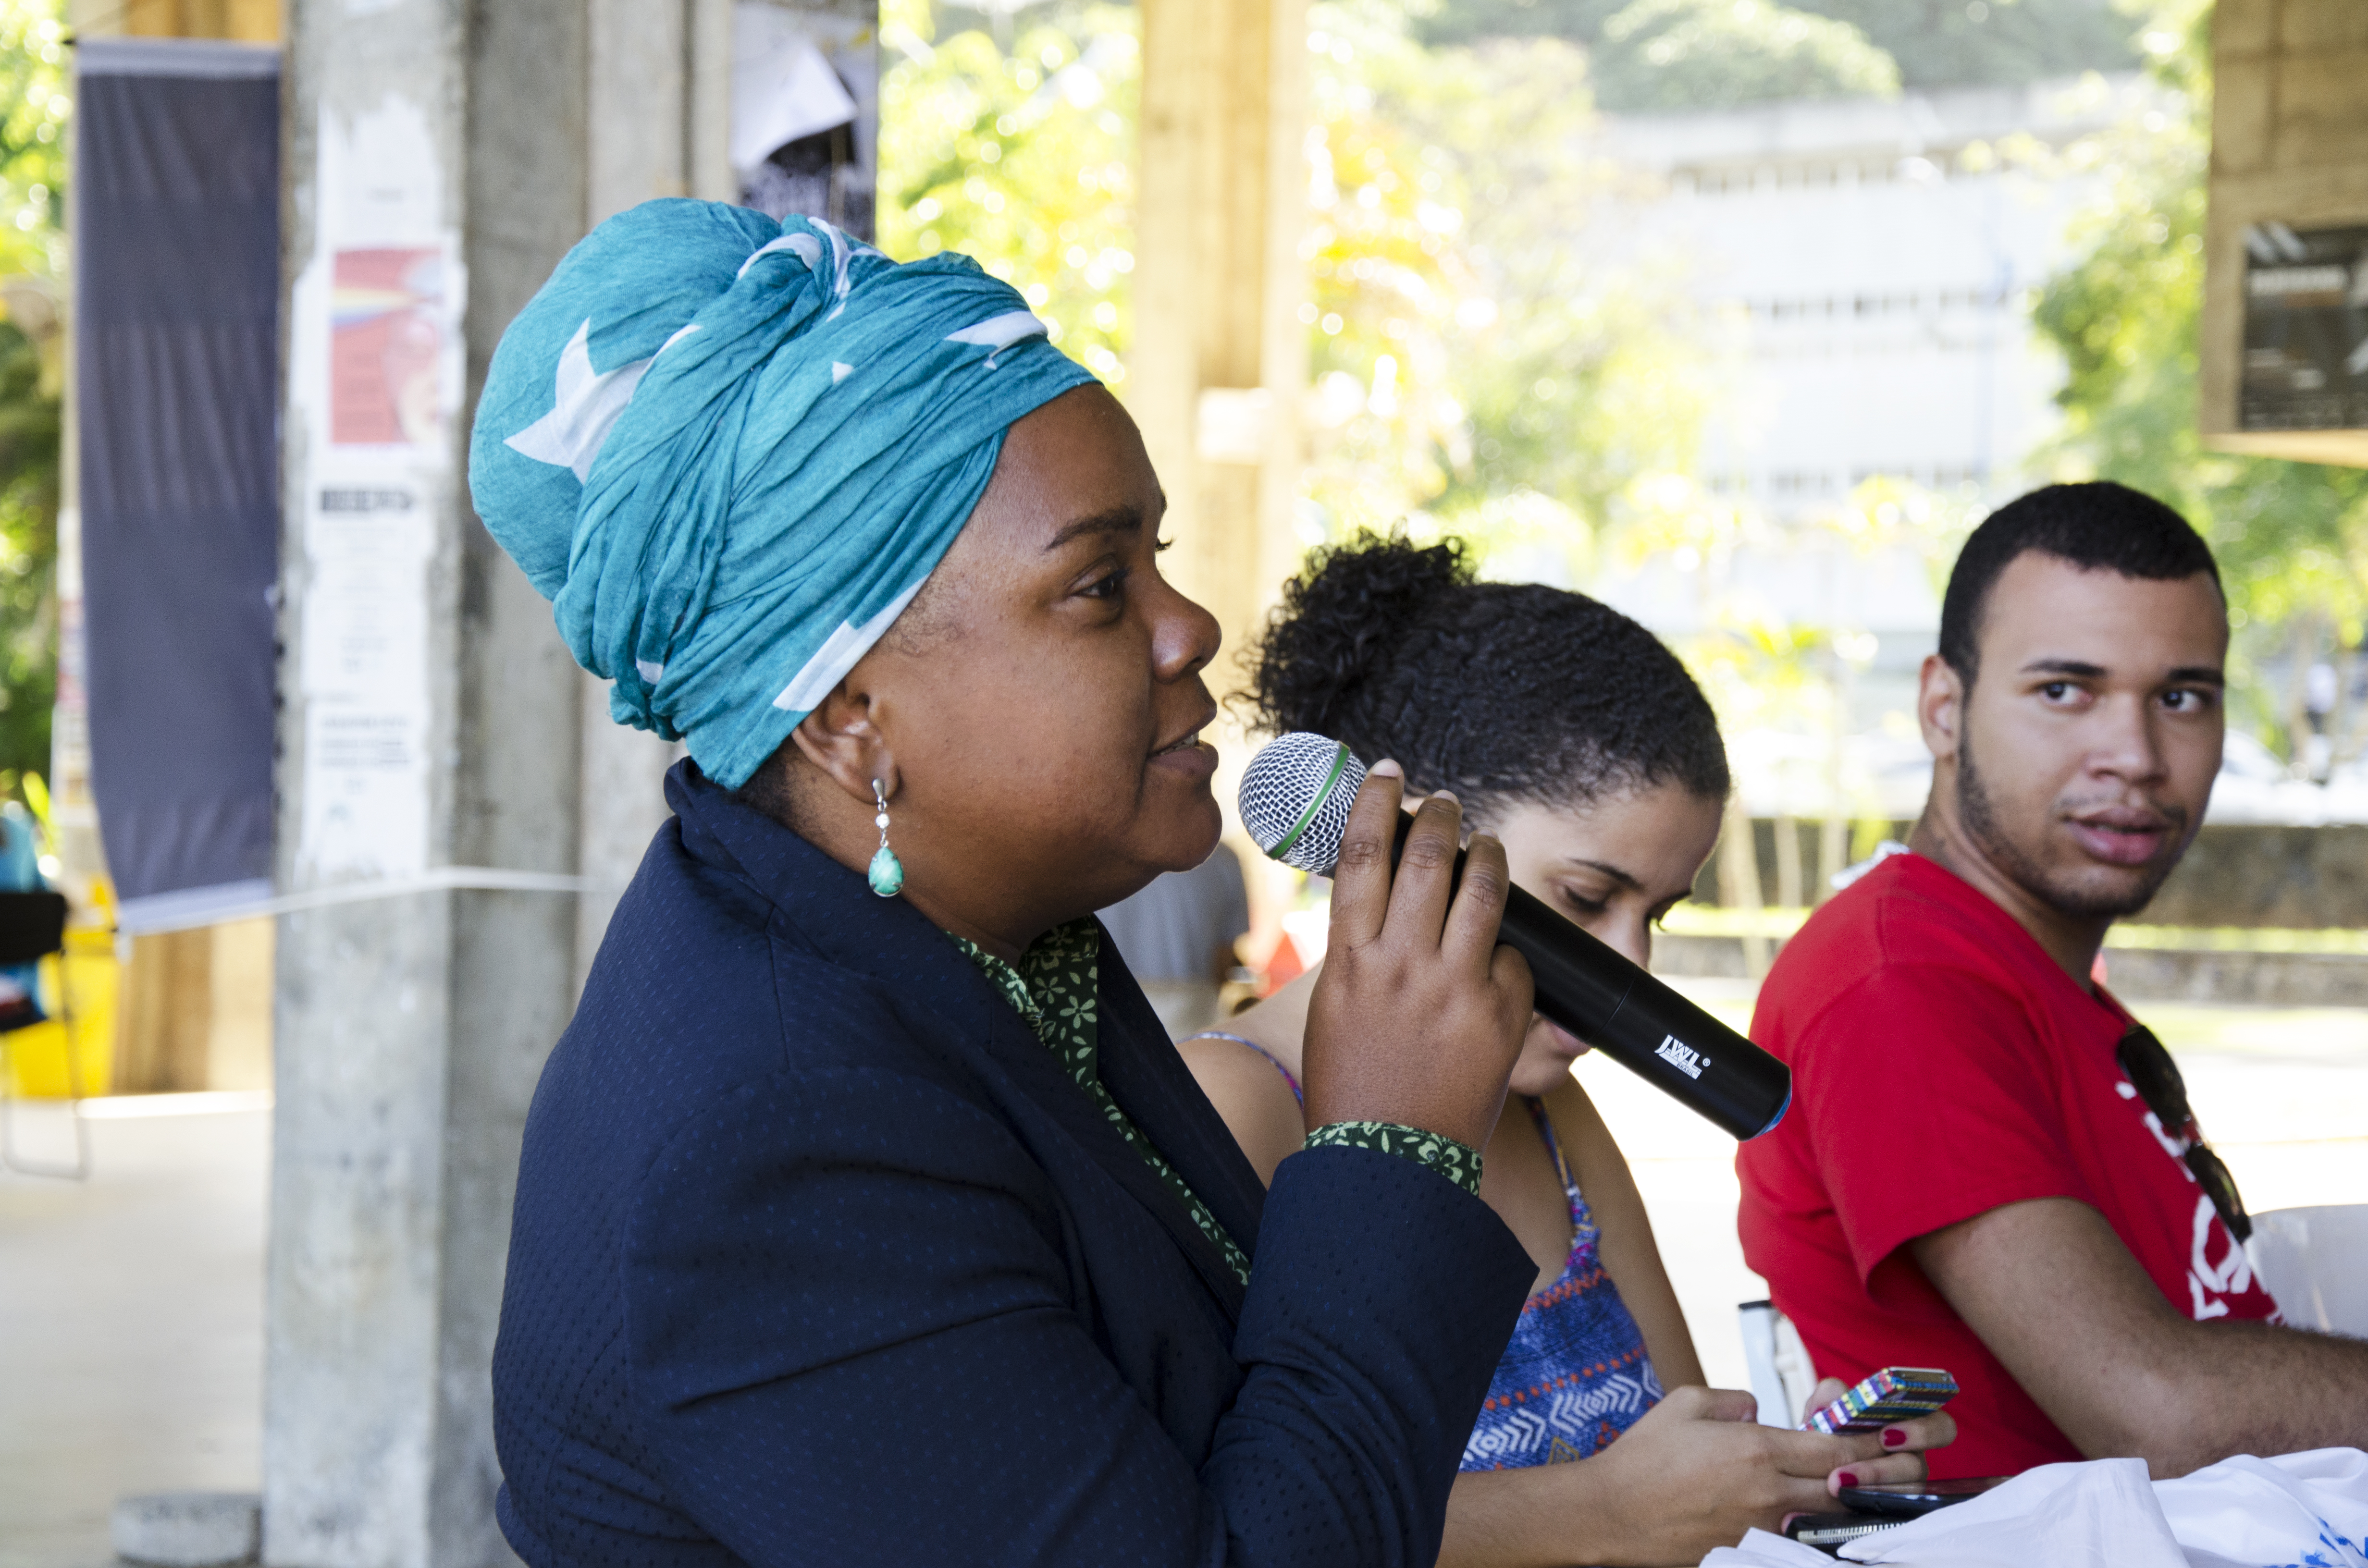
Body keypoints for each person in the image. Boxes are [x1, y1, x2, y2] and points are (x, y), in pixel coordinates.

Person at [469, 201, 1545, 1567]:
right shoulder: (784, 1142)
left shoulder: (957, 934)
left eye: (1158, 554)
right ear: (849, 714)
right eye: (1100, 586)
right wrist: (1390, 1144)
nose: (1192, 627)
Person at [1187, 534, 1955, 1567]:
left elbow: (1679, 1466)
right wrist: (1602, 1513)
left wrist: (1773, 1470)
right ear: (1393, 837)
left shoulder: (1553, 1116)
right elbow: (1196, 1528)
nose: (1627, 969)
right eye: (1584, 901)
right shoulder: (1231, 1105)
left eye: (1657, 916)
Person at [1738, 481, 2368, 1480]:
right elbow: (2161, 1413)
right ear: (1942, 708)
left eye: (2181, 697)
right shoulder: (1897, 979)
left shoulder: (2030, 976)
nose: (2134, 756)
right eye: (2064, 691)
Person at [1098, 841, 1250, 1038]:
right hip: (1190, 1013)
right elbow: (1224, 959)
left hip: (1106, 1008)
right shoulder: (1222, 858)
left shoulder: (1093, 853)